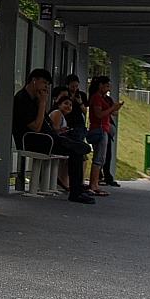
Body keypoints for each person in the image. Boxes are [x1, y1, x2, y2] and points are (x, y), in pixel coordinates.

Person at [10, 67, 93, 203]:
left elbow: (46, 123)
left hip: (48, 138)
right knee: (79, 149)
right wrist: (43, 103)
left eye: (48, 85)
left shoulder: (34, 99)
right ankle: (76, 192)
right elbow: (36, 128)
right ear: (34, 81)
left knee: (80, 147)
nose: (46, 88)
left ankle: (76, 189)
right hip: (34, 141)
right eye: (44, 83)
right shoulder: (22, 100)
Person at [88, 75, 123, 192]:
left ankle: (95, 183)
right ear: (100, 86)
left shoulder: (102, 98)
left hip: (103, 129)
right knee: (99, 158)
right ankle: (94, 184)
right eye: (107, 86)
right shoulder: (97, 98)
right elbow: (99, 114)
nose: (108, 89)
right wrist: (112, 108)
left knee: (101, 157)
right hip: (99, 129)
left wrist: (114, 108)